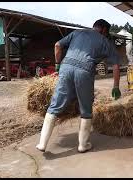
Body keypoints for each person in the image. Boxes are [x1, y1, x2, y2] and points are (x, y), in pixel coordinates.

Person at [36, 19, 122, 153]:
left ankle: (42, 143)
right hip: (85, 70)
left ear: (94, 27)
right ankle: (83, 145)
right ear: (104, 30)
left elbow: (57, 45)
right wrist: (116, 87)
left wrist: (58, 66)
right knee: (86, 108)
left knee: (55, 105)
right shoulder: (105, 41)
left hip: (66, 67)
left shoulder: (77, 33)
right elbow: (116, 66)